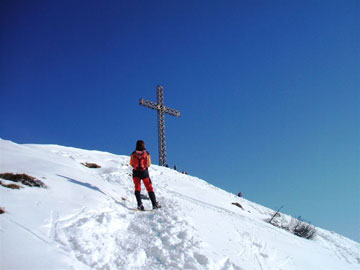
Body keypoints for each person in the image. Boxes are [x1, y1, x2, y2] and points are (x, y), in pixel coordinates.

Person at [130, 140, 161, 210]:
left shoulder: (133, 153)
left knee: (137, 188)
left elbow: (131, 163)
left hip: (135, 172)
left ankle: (140, 205)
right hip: (144, 173)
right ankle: (154, 204)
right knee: (149, 188)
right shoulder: (146, 153)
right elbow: (149, 164)